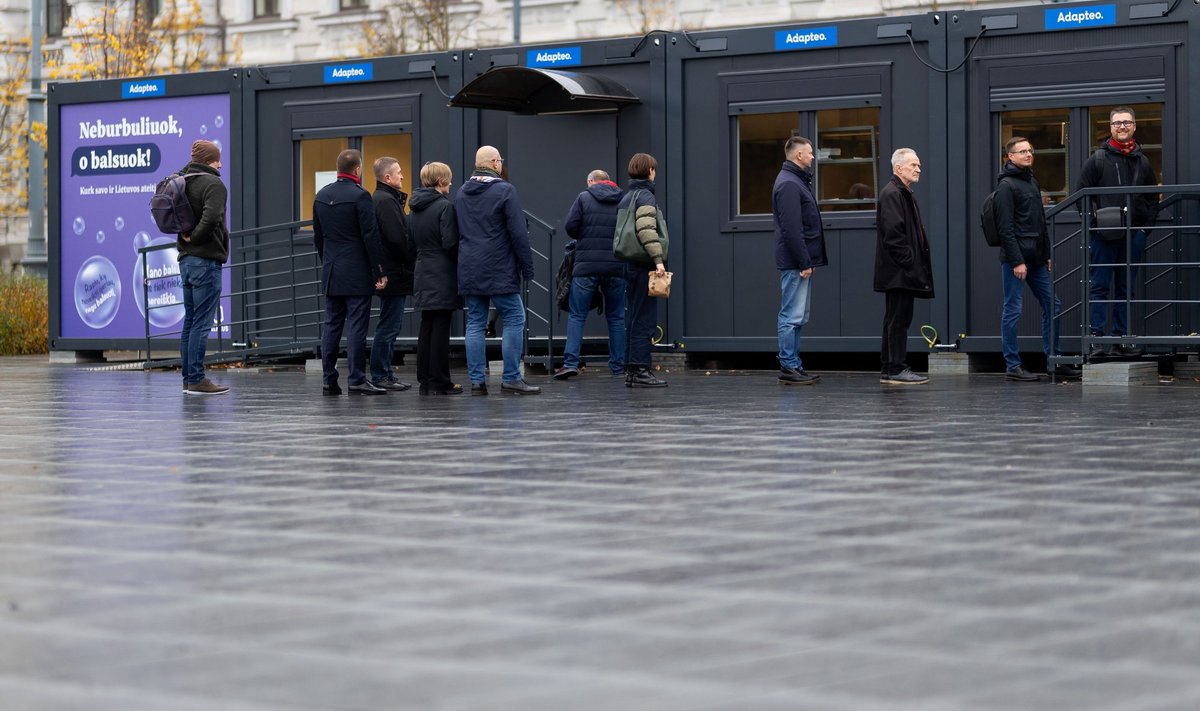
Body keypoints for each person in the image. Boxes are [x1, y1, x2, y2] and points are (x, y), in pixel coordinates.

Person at [994, 137, 1082, 382]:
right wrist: (1016, 261)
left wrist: (1046, 255)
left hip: (1036, 259)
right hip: (1017, 261)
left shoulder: (1031, 181)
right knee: (1013, 309)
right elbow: (1005, 229)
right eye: (1022, 151)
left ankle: (1053, 360)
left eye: (1030, 150)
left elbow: (1040, 223)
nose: (1028, 154)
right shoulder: (1006, 186)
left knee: (1052, 305)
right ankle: (1013, 365)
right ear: (1010, 156)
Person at [455, 145, 540, 395]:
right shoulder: (505, 190)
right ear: (494, 163)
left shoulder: (461, 193)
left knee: (475, 322)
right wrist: (528, 266)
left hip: (470, 266)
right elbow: (518, 233)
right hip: (500, 266)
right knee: (514, 318)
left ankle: (478, 382)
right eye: (500, 160)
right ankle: (512, 377)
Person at [1078, 106, 1160, 358]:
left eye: (1126, 122)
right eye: (1117, 123)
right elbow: (1081, 195)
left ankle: (1121, 339)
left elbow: (1152, 198)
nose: (1121, 127)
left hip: (1133, 234)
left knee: (1126, 289)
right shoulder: (1097, 159)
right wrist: (1094, 223)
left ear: (1134, 126)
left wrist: (1144, 229)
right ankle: (1097, 341)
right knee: (1099, 286)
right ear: (1110, 127)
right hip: (1103, 236)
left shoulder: (1142, 161)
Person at [313, 149, 388, 395]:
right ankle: (356, 378)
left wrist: (328, 262)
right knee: (357, 325)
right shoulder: (360, 197)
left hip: (332, 270)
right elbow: (370, 236)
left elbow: (318, 237)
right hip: (356, 271)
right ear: (357, 169)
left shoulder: (321, 196)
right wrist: (379, 270)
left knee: (332, 325)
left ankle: (328, 379)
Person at [554, 169, 626, 380]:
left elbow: (570, 227)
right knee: (616, 317)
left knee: (577, 315)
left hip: (586, 266)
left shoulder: (584, 197)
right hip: (616, 265)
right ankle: (618, 366)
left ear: (590, 181)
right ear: (608, 181)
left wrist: (586, 236)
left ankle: (570, 363)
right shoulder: (622, 198)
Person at [874, 148, 934, 385]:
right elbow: (893, 236)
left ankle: (890, 368)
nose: (918, 169)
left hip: (898, 270)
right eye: (913, 165)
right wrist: (910, 264)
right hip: (898, 271)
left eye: (918, 165)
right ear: (899, 168)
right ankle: (896, 368)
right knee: (898, 320)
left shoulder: (901, 192)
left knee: (894, 319)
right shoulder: (893, 194)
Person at [772, 136, 828, 386]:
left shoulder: (795, 181)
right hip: (796, 262)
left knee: (798, 316)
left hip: (800, 260)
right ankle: (788, 366)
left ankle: (794, 364)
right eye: (809, 153)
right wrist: (805, 260)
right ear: (798, 156)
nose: (813, 157)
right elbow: (792, 228)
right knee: (791, 316)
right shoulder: (789, 184)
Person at [178, 139, 231, 395]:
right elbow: (211, 218)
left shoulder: (181, 179)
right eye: (217, 159)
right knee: (201, 322)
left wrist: (187, 238)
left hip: (186, 261)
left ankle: (188, 379)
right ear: (210, 161)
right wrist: (196, 237)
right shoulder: (214, 184)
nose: (221, 164)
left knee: (190, 321)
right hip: (206, 261)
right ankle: (197, 379)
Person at [409, 161, 462, 395]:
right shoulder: (444, 207)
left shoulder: (415, 207)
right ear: (441, 181)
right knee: (441, 328)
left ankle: (426, 380)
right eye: (449, 179)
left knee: (427, 327)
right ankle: (441, 381)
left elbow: (410, 242)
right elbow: (450, 243)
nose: (451, 183)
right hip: (442, 272)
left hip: (422, 269)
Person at [617, 153, 669, 388]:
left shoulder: (628, 196)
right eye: (654, 169)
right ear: (650, 171)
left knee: (633, 317)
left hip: (629, 264)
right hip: (643, 264)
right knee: (644, 320)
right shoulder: (645, 195)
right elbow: (646, 229)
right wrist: (658, 259)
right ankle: (640, 371)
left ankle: (631, 370)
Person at [369, 156, 415, 391]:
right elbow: (398, 239)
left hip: (393, 271)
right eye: (398, 172)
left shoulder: (383, 199)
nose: (402, 175)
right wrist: (412, 259)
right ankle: (381, 375)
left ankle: (384, 373)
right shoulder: (386, 202)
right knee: (389, 326)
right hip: (395, 272)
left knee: (389, 325)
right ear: (387, 177)